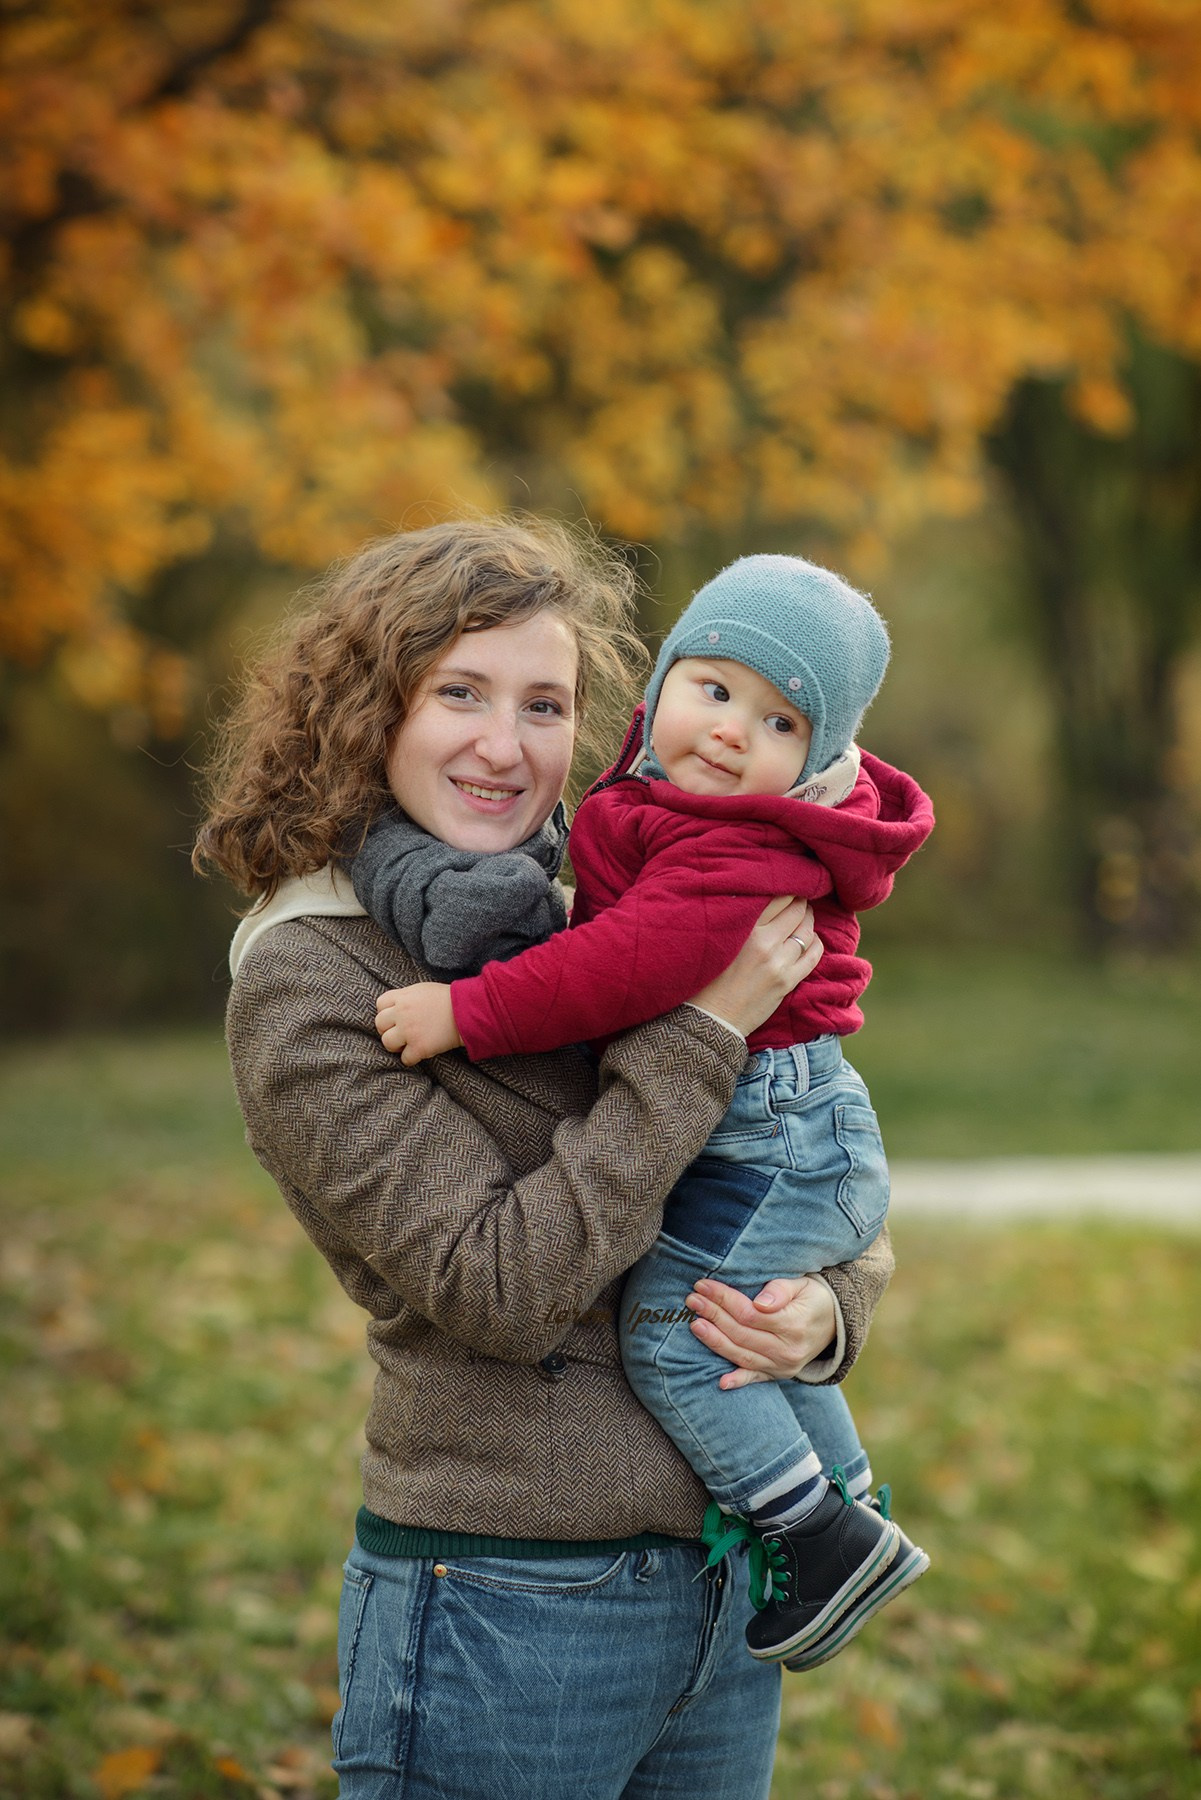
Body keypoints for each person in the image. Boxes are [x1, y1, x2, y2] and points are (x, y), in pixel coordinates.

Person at [194, 519, 897, 1800]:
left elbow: (803, 1173)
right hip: (507, 1607)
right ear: (368, 713)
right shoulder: (312, 980)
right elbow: (506, 1289)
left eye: (545, 704)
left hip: (722, 1595)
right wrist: (702, 1030)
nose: (504, 746)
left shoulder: (610, 894)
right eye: (458, 693)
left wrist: (824, 1318)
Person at [360, 553, 934, 1668]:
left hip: (771, 1126)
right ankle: (843, 1502)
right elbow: (500, 1285)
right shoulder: (312, 978)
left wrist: (466, 1011)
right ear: (659, 688)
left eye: (775, 723)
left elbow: (611, 970)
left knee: (675, 1334)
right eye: (711, 690)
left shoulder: (728, 846)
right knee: (716, 1315)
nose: (728, 732)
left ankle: (818, 1535)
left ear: (813, 761)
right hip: (502, 1562)